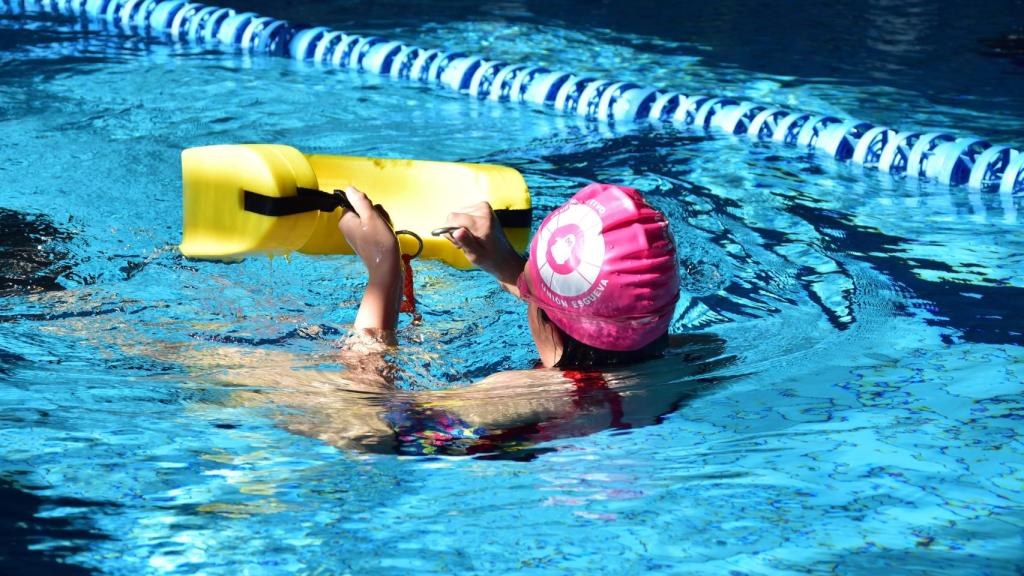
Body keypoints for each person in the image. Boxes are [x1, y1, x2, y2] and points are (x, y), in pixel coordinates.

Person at [338, 182, 682, 369]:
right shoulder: (694, 357)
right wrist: (506, 265)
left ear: (547, 317)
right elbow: (601, 312)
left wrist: (384, 270)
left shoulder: (529, 400)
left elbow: (367, 426)